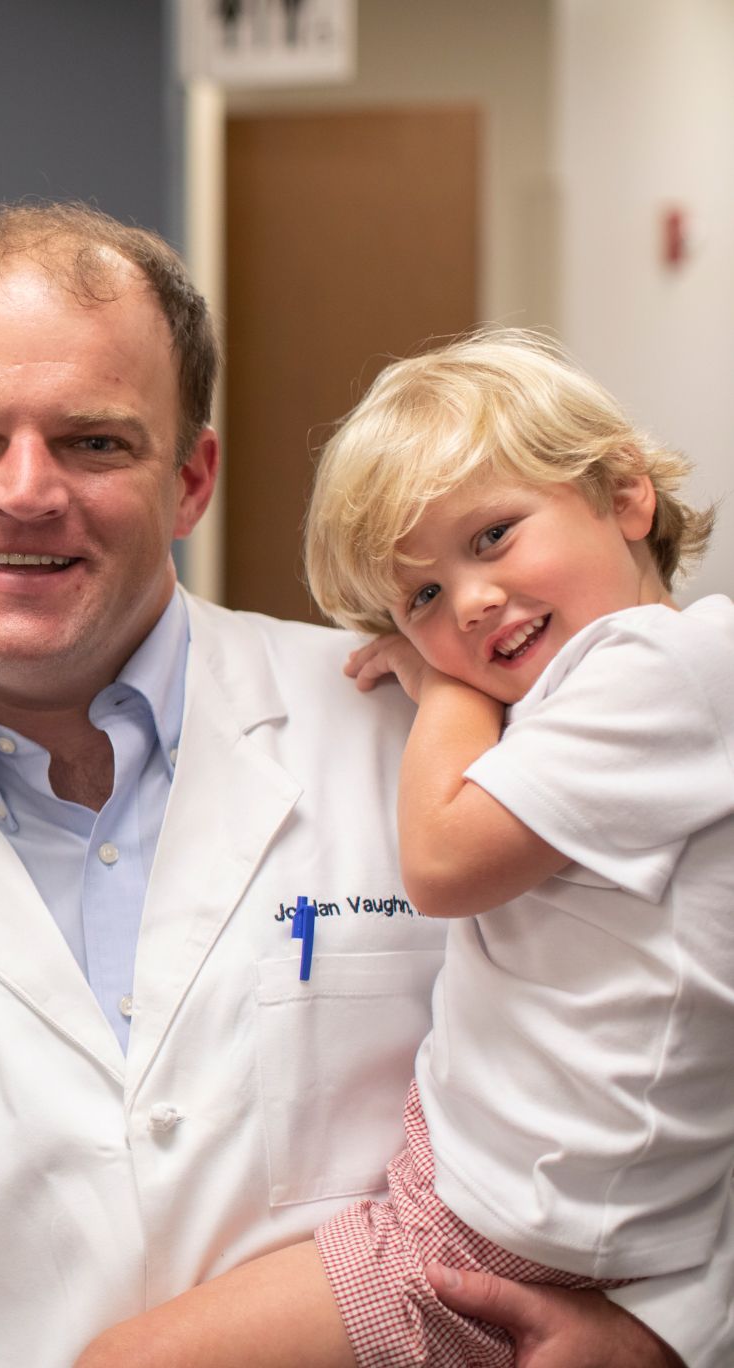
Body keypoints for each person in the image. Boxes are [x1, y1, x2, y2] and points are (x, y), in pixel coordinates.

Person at [0, 203, 726, 1365]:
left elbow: (686, 1028)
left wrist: (667, 1334)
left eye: (96, 442)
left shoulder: (444, 730)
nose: (25, 490)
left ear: (192, 479)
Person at [78, 330, 734, 1367]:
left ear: (625, 496)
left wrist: (447, 689)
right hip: (497, 1200)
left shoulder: (664, 668)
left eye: (494, 536)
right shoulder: (592, 696)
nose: (470, 603)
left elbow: (442, 864)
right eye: (421, 597)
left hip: (497, 1242)